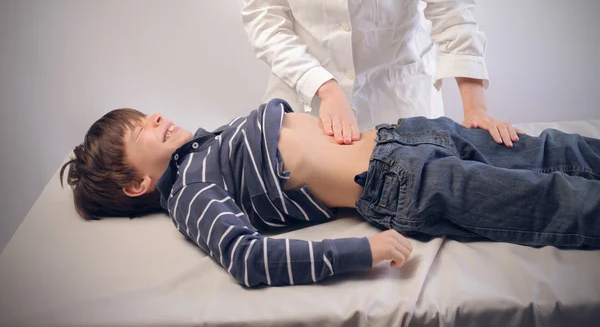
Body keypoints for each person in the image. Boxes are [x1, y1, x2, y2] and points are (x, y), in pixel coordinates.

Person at [61, 99, 600, 288]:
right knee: (544, 196)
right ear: (138, 184)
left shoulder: (206, 145)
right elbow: (250, 258)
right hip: (400, 183)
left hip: (403, 135)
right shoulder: (192, 194)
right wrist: (361, 252)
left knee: (554, 149)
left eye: (143, 113)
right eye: (139, 130)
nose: (154, 116)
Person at [226, 0, 519, 147]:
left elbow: (448, 1)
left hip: (399, 104)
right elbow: (264, 19)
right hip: (304, 109)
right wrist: (324, 87)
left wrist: (476, 108)